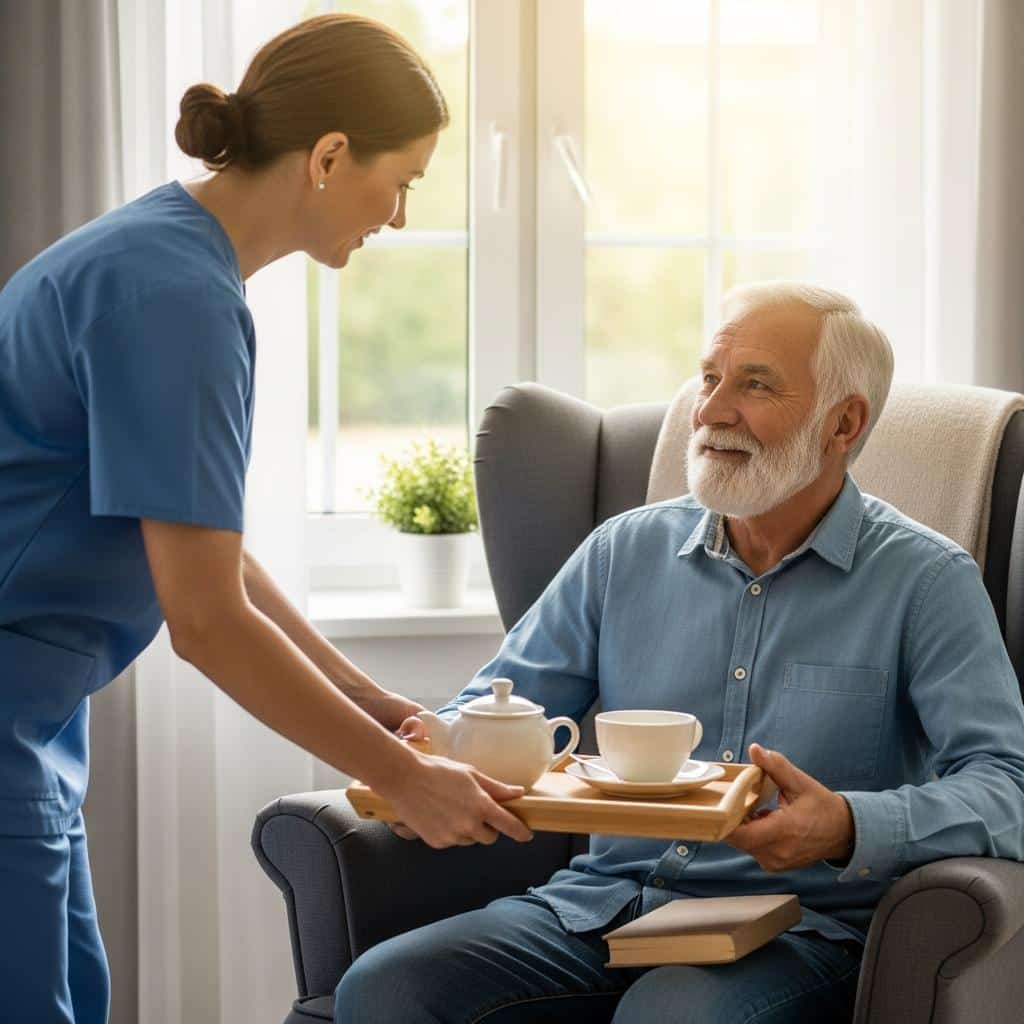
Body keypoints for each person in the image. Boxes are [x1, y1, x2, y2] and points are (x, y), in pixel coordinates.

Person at [0, 13, 531, 1023]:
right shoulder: (173, 296)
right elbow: (203, 622)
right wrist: (401, 779)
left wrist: (371, 703)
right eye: (403, 179)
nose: (401, 215)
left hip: (32, 715)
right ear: (329, 156)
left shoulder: (165, 259)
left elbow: (214, 558)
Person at [334, 282, 1024, 1023]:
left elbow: (1007, 786)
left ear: (843, 422)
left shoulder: (926, 581)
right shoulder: (621, 551)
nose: (712, 409)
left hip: (798, 928)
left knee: (672, 1014)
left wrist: (848, 824)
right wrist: (432, 747)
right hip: (597, 908)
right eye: (709, 378)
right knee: (384, 988)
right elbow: (506, 705)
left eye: (755, 385)